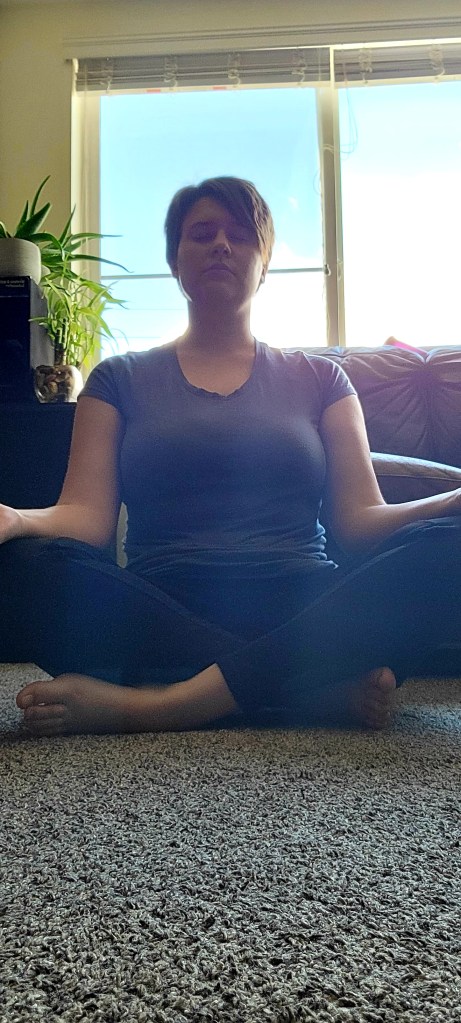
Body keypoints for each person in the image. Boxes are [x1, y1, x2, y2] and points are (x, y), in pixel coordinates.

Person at [1, 175, 461, 738]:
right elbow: (85, 519)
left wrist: (452, 503)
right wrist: (14, 519)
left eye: (240, 235)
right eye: (202, 234)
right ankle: (306, 690)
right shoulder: (117, 378)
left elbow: (361, 522)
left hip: (304, 601)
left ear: (263, 263)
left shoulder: (323, 380)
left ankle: (158, 704)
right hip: (163, 604)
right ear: (175, 260)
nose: (221, 244)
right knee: (20, 565)